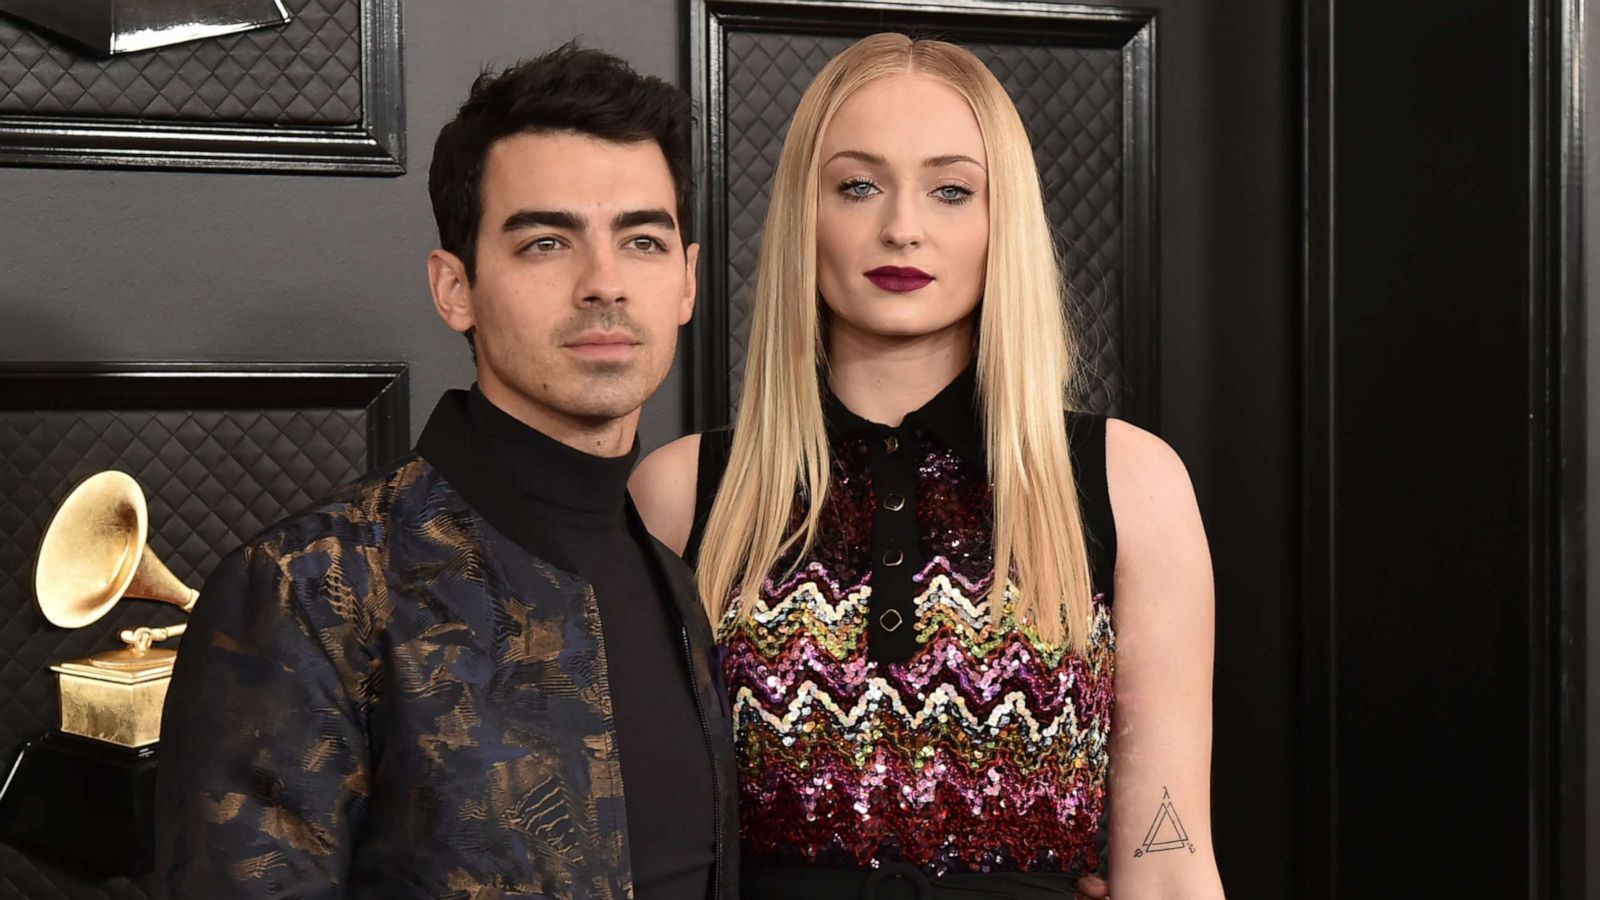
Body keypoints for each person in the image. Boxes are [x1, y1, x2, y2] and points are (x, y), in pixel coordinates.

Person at [633, 33, 1224, 899]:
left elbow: (1170, 862)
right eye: (858, 185)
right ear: (808, 213)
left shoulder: (1129, 482)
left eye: (951, 190)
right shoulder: (684, 492)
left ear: (1002, 220)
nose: (902, 226)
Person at [156, 44, 735, 900]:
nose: (604, 283)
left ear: (685, 283)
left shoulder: (675, 581)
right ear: (455, 288)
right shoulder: (308, 589)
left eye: (643, 241)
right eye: (546, 242)